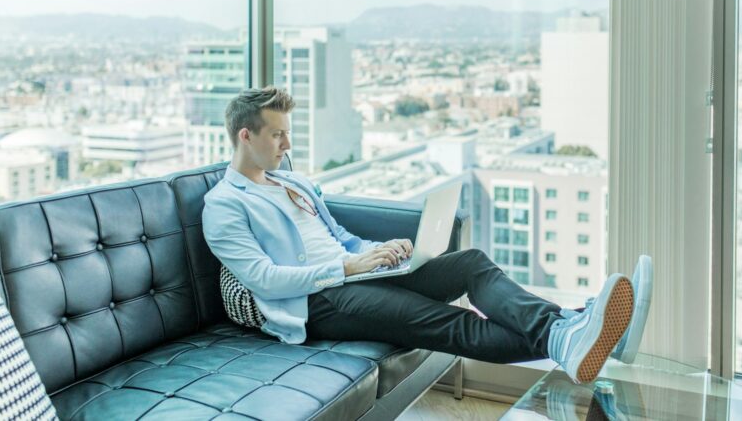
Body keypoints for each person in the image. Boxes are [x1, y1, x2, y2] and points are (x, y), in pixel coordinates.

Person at [202, 87, 653, 384]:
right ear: (245, 135)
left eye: (287, 134)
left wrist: (376, 252)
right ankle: (577, 332)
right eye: (277, 135)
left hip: (356, 275)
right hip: (317, 302)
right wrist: (346, 266)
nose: (287, 145)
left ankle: (571, 332)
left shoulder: (291, 181)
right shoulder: (224, 204)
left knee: (471, 263)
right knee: (445, 321)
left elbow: (336, 233)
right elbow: (264, 279)